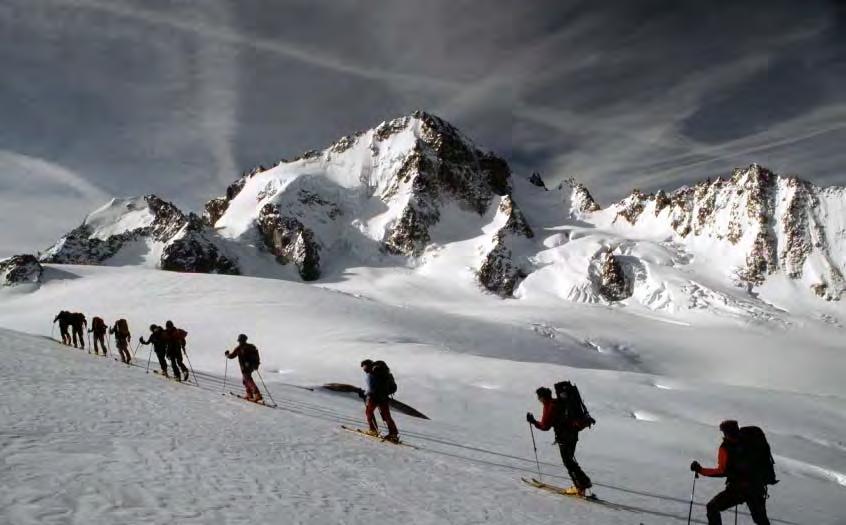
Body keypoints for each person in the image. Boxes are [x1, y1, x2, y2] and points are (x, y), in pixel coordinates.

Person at [691, 420, 771, 525]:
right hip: (756, 488)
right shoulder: (749, 441)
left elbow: (721, 471)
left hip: (738, 489)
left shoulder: (726, 448)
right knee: (761, 520)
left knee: (712, 507)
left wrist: (701, 470)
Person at [527, 386, 593, 496]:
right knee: (570, 460)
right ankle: (583, 484)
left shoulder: (550, 406)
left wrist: (533, 421)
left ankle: (581, 487)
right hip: (573, 435)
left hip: (564, 437)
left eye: (539, 398)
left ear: (542, 397)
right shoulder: (557, 402)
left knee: (568, 462)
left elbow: (545, 426)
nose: (539, 400)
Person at [360, 359, 399, 442]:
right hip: (384, 397)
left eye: (364, 367)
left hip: (374, 397)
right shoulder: (384, 373)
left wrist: (365, 393)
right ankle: (393, 434)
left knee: (369, 413)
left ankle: (373, 430)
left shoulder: (371, 373)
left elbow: (371, 388)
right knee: (386, 415)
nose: (363, 369)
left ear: (367, 365)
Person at [225, 334, 262, 402]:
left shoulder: (239, 348)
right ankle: (249, 394)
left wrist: (227, 354)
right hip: (252, 366)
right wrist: (256, 365)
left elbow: (232, 356)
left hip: (244, 367)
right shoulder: (251, 346)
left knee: (248, 380)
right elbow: (257, 355)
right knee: (245, 380)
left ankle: (257, 395)